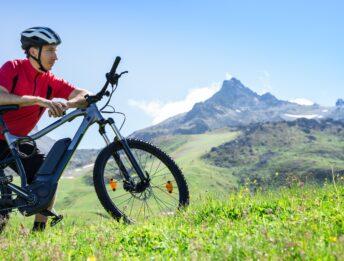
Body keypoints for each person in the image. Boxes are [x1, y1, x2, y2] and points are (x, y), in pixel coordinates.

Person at [0, 27, 89, 231]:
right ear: (33, 51)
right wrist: (38, 101)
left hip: (18, 141)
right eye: (50, 50)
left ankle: (38, 232)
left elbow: (84, 94)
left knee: (46, 177)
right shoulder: (12, 68)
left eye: (55, 51)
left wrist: (67, 104)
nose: (55, 57)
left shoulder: (50, 81)